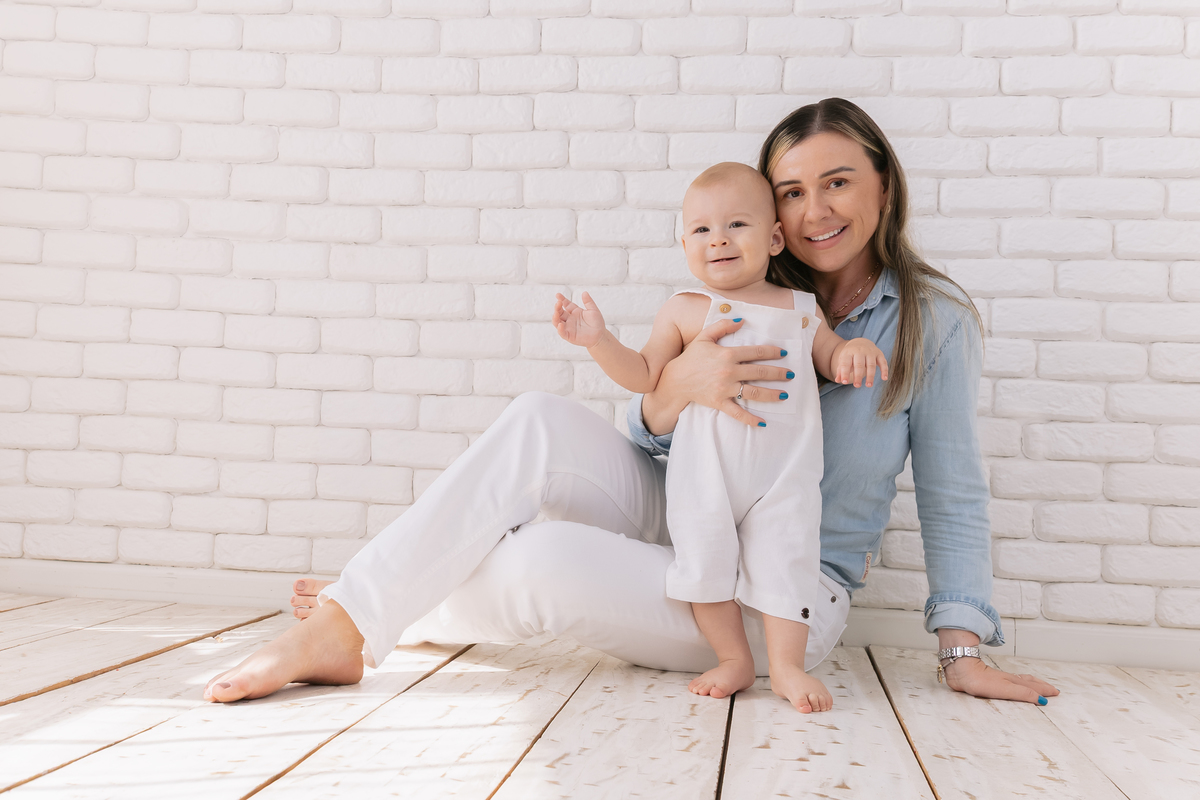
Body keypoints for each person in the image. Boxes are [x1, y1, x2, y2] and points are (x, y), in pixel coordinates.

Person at [205, 98, 1058, 711]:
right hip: (686, 513)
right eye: (790, 192)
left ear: (883, 184)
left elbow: (952, 496)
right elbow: (650, 439)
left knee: (542, 560)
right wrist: (676, 392)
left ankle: (373, 602)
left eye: (836, 182)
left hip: (784, 592)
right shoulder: (731, 291)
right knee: (541, 418)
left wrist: (961, 651)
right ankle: (359, 614)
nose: (812, 211)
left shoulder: (931, 325)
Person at [551, 162, 887, 711]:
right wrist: (598, 341)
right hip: (706, 475)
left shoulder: (802, 308)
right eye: (702, 230)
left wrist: (854, 351)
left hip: (783, 477)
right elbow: (645, 375)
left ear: (775, 238)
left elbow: (830, 355)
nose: (720, 240)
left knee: (788, 562)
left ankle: (785, 666)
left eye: (737, 225)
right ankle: (734, 657)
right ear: (683, 241)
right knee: (703, 567)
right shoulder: (685, 311)